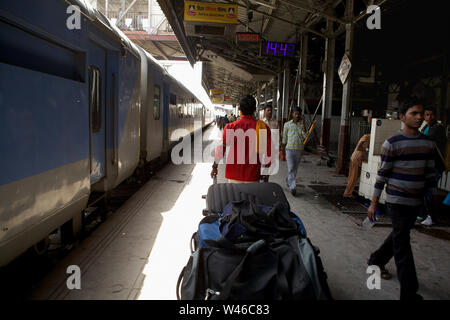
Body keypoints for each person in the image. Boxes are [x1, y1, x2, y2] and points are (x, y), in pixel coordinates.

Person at [367, 97, 437, 300]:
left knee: (399, 235)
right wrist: (373, 203)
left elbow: (430, 174)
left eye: (421, 113)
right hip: (396, 202)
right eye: (413, 113)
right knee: (402, 243)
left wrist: (431, 200)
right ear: (402, 116)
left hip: (416, 202)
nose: (419, 117)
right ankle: (409, 292)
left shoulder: (428, 143)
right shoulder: (392, 143)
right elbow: (383, 176)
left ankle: (376, 259)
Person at [211, 95, 271, 183]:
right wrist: (266, 171)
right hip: (253, 176)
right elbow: (268, 152)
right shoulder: (262, 127)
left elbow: (221, 149)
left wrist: (214, 167)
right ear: (255, 109)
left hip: (233, 175)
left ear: (239, 109)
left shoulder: (230, 127)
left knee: (234, 197)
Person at [417, 106, 447, 226]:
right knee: (423, 191)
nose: (429, 117)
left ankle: (431, 217)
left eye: (431, 115)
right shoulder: (425, 127)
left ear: (435, 116)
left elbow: (425, 138)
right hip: (426, 165)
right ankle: (421, 214)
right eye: (427, 115)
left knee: (430, 191)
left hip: (435, 165)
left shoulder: (438, 128)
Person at [281, 107, 306, 196]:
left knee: (295, 169)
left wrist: (303, 124)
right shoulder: (287, 124)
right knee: (291, 167)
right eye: (295, 113)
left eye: (299, 114)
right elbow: (284, 137)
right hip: (289, 149)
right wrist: (282, 150)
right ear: (292, 114)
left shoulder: (301, 125)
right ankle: (293, 187)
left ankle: (288, 179)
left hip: (299, 149)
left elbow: (304, 136)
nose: (297, 115)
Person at [343, 134, 371, 198]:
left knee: (354, 177)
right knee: (353, 177)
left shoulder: (368, 138)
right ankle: (347, 193)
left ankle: (349, 192)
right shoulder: (366, 137)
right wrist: (366, 149)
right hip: (356, 159)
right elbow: (359, 147)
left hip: (358, 159)